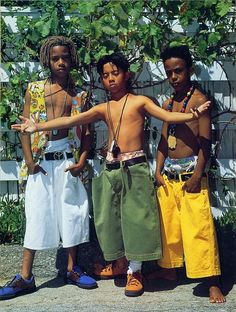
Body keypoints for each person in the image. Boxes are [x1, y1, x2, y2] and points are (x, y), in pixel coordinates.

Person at [11, 52, 210, 297]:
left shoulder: (140, 102)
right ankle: (120, 263)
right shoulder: (103, 108)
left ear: (126, 74)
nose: (110, 79)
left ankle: (135, 271)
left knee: (136, 219)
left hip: (134, 169)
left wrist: (193, 115)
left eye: (115, 73)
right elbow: (70, 120)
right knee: (109, 220)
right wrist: (37, 126)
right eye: (105, 76)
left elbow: (168, 116)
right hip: (111, 169)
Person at [0, 36, 97, 301]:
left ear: (72, 58)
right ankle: (25, 277)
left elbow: (87, 132)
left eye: (65, 57)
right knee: (37, 214)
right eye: (55, 58)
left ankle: (71, 269)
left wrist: (82, 160)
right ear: (47, 60)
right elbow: (24, 127)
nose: (61, 62)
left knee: (73, 213)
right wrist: (29, 161)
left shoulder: (79, 95)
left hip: (68, 161)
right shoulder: (35, 89)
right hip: (41, 163)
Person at [155, 45, 225, 303]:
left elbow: (205, 143)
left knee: (199, 231)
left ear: (190, 70)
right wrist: (157, 169)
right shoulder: (168, 104)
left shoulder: (199, 102)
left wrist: (198, 176)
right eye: (169, 72)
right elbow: (164, 141)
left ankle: (212, 281)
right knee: (170, 227)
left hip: (191, 176)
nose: (173, 77)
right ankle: (170, 270)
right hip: (170, 177)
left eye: (178, 71)